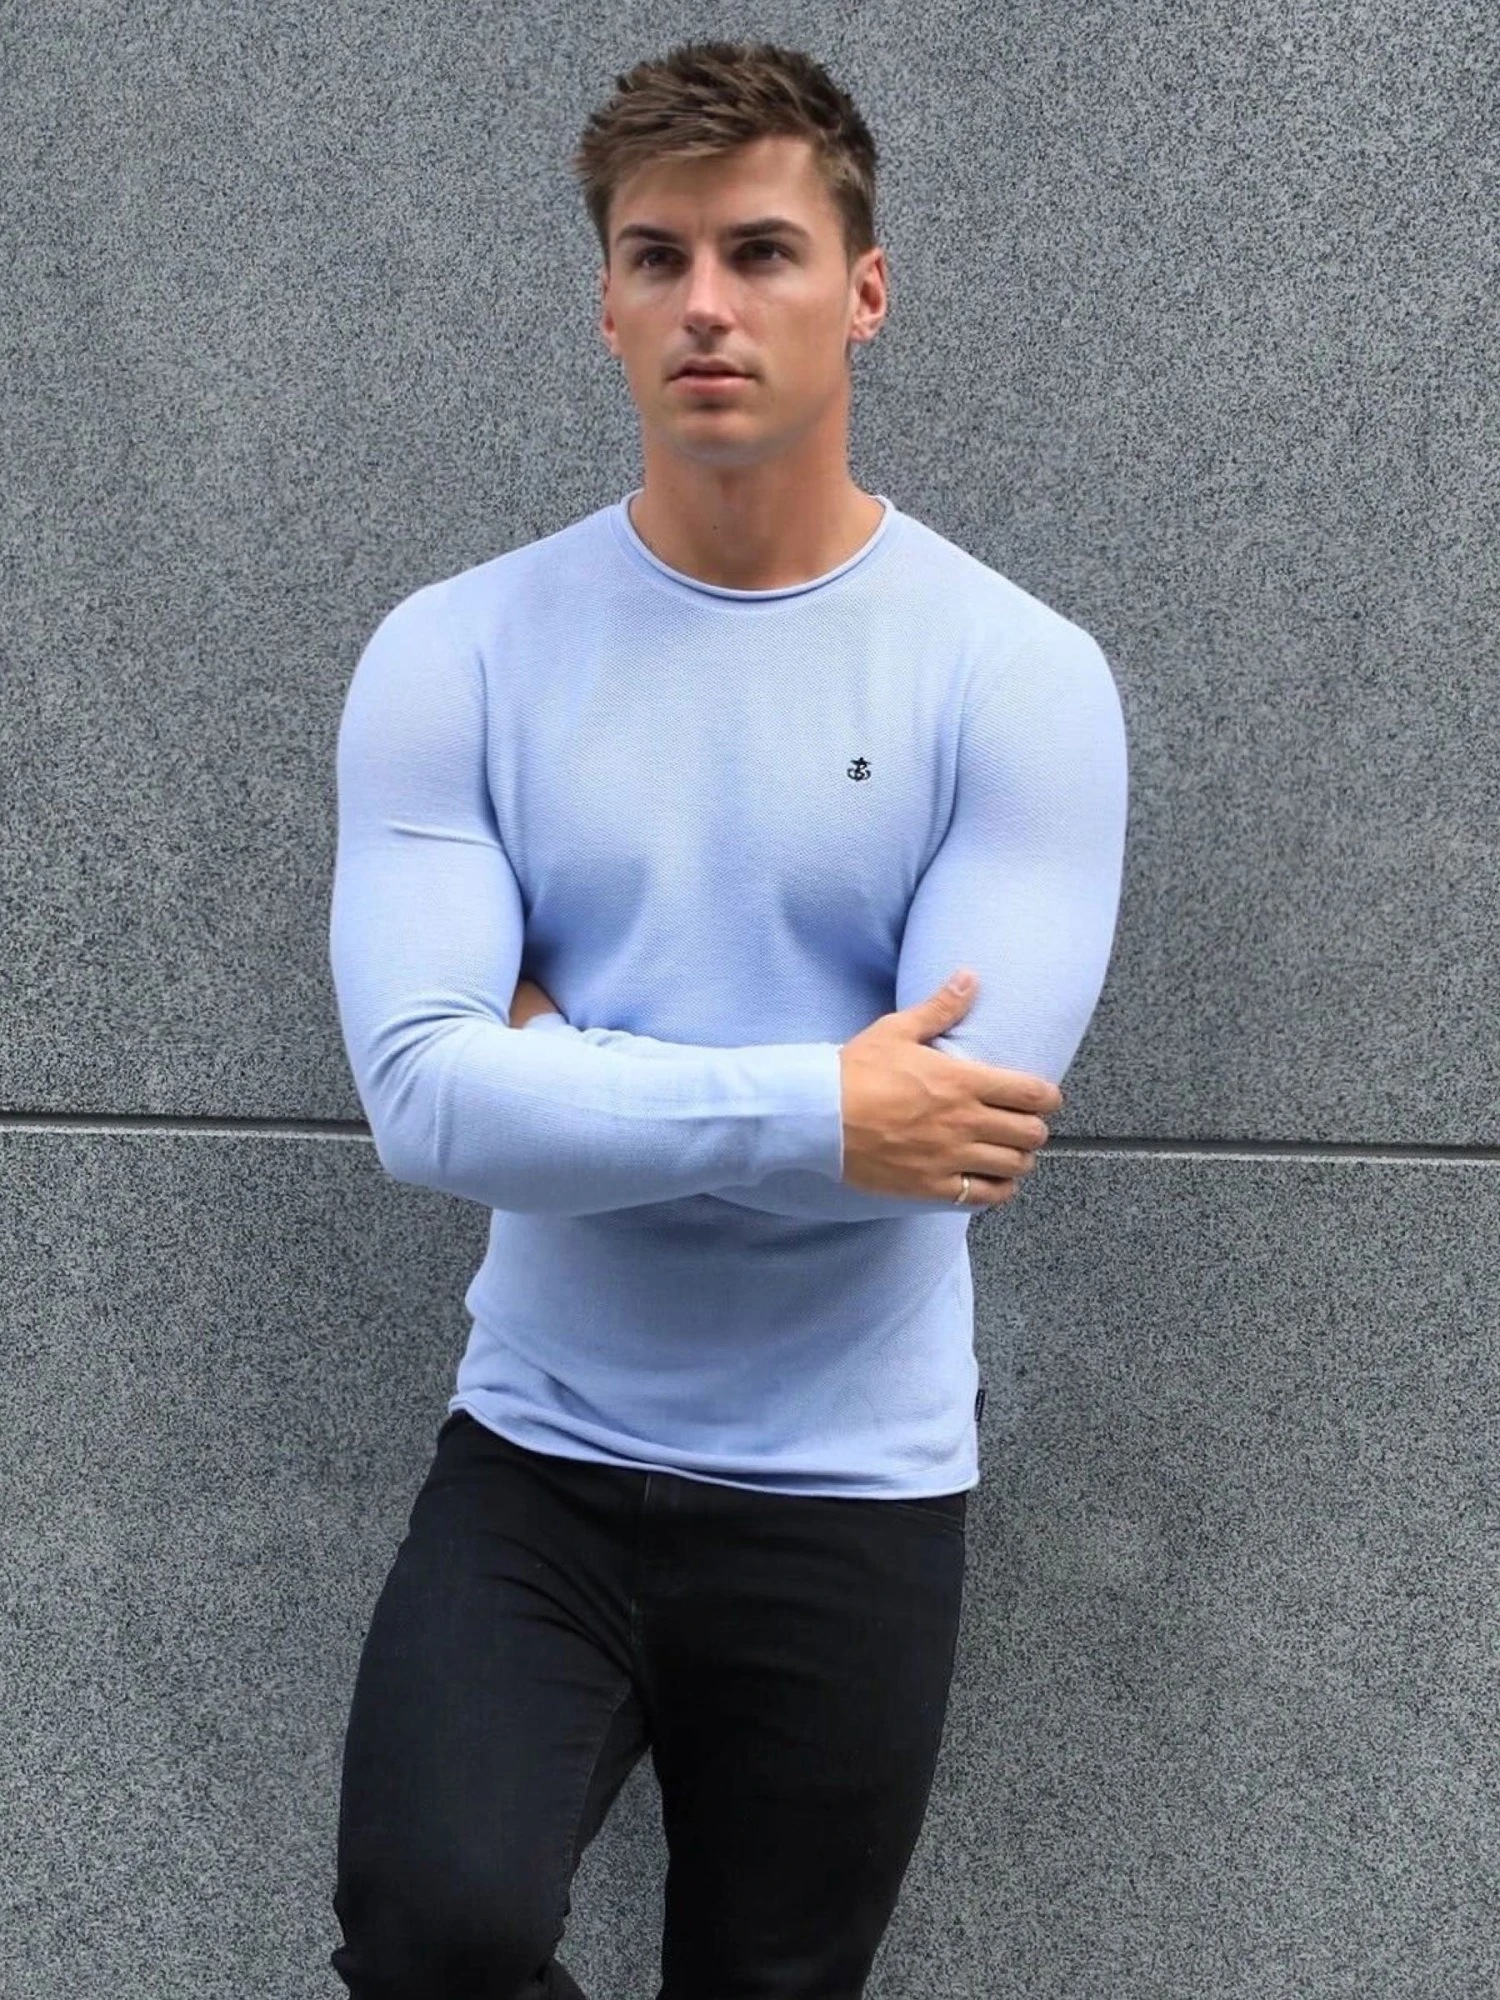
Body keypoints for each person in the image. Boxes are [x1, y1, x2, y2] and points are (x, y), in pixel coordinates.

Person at [326, 37, 1128, 2000]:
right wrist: (820, 1102)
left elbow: (946, 1145)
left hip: (853, 1488)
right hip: (538, 1456)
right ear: (602, 299)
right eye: (656, 254)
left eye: (762, 250)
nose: (706, 301)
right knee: (433, 1935)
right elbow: (427, 1106)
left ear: (865, 291)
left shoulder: (1015, 675)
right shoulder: (459, 652)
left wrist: (560, 1066)